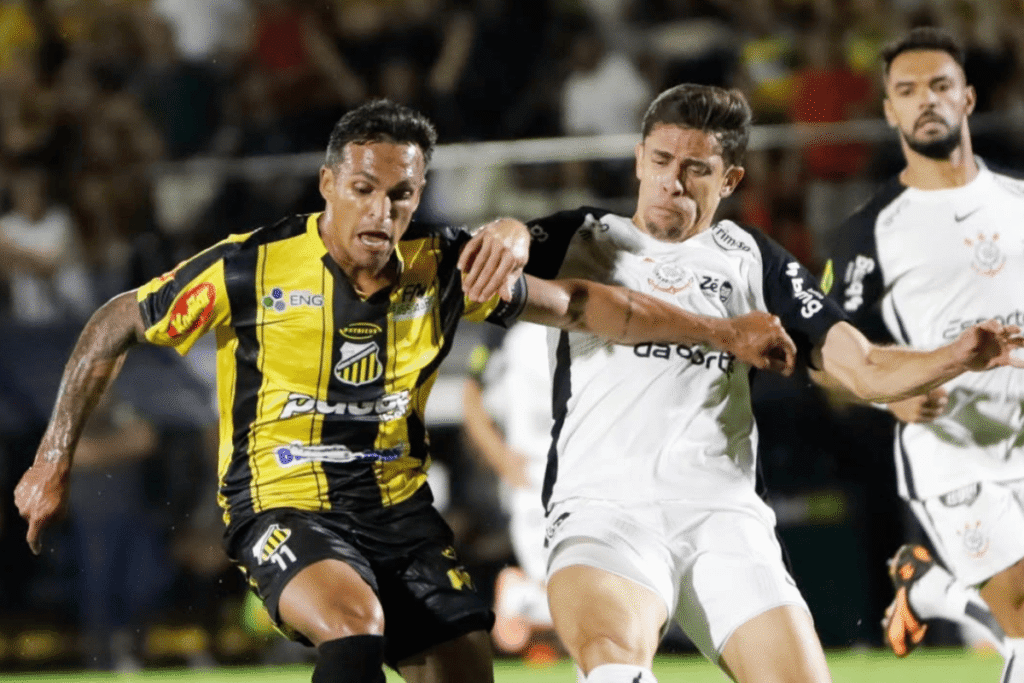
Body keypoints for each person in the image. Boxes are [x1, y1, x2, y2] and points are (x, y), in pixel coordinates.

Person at [13, 98, 801, 683]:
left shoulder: (444, 266)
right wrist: (53, 459)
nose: (381, 211)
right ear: (328, 183)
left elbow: (589, 304)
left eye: (401, 195)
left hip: (399, 512)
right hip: (283, 501)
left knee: (465, 671)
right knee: (354, 630)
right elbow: (118, 320)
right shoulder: (249, 266)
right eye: (363, 188)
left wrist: (725, 332)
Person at [520, 82, 1024, 683]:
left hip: (722, 518)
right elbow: (477, 271)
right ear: (638, 158)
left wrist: (954, 356)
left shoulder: (751, 258)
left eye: (695, 169)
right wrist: (503, 230)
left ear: (729, 180)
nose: (672, 181)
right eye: (659, 161)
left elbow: (860, 366)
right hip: (604, 511)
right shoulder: (581, 237)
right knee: (613, 666)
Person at [824, 27, 1024, 683]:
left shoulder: (1019, 201)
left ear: (968, 97)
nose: (925, 101)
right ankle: (930, 585)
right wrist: (890, 391)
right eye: (906, 91)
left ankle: (928, 586)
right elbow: (827, 356)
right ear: (889, 111)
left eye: (940, 85)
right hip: (954, 455)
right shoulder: (871, 229)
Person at [462, 321, 556, 658]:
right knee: (567, 589)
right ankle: (522, 599)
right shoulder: (503, 326)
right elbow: (471, 395)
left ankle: (522, 599)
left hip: (591, 468)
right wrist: (502, 459)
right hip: (535, 473)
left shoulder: (596, 301)